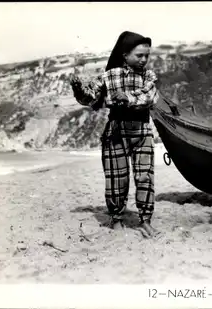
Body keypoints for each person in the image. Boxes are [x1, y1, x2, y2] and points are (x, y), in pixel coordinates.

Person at [70, 31, 160, 238]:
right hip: (115, 133)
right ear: (125, 54)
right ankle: (116, 218)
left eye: (147, 55)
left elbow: (150, 98)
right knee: (116, 179)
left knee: (145, 176)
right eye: (139, 55)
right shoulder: (108, 76)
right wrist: (79, 90)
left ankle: (145, 220)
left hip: (142, 132)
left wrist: (127, 97)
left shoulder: (148, 76)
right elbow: (91, 98)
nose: (144, 59)